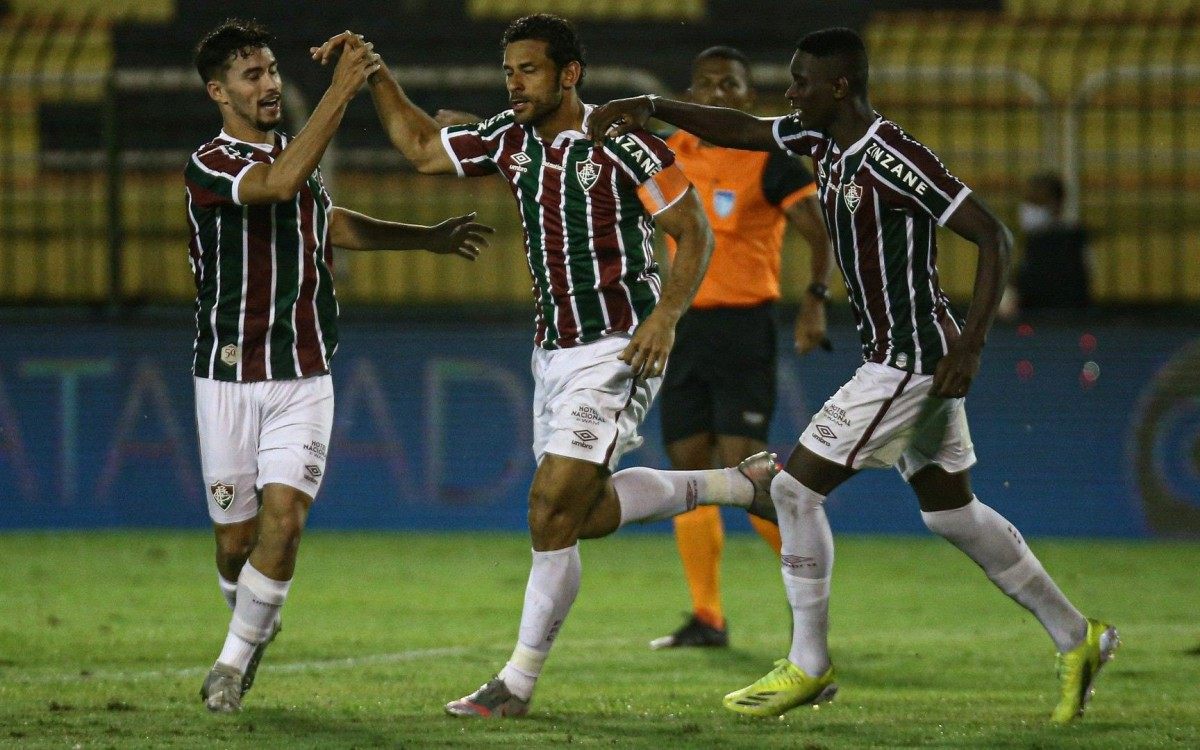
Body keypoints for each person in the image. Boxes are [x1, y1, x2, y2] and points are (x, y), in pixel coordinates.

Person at [588, 27, 1117, 724]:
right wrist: (654, 105)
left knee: (793, 490)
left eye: (804, 81)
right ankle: (1079, 637)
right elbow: (743, 129)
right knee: (952, 514)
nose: (792, 92)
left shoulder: (894, 156)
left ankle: (808, 664)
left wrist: (972, 345)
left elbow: (993, 235)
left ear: (839, 87)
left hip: (909, 360)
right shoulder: (817, 142)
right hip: (900, 357)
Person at [312, 14, 780, 719]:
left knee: (547, 506)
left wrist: (665, 316)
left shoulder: (620, 143)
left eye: (528, 70)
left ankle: (516, 683)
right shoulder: (506, 137)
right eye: (509, 71)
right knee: (576, 516)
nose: (515, 83)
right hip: (553, 352)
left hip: (619, 345)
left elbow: (692, 230)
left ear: (569, 74)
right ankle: (734, 484)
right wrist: (376, 74)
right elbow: (418, 147)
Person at [187, 19, 493, 713]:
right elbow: (277, 184)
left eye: (270, 71)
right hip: (227, 376)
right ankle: (253, 615)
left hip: (303, 371)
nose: (267, 85)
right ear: (218, 92)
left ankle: (230, 665)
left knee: (286, 519)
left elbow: (323, 218)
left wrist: (426, 240)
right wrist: (343, 91)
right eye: (251, 76)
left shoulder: (294, 154)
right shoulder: (211, 163)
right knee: (236, 545)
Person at [649, 46, 835, 651]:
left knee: (748, 469)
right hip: (684, 328)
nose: (716, 93)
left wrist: (813, 299)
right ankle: (707, 617)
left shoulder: (771, 158)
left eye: (729, 83)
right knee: (687, 469)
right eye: (705, 83)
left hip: (743, 327)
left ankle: (810, 599)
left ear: (747, 96)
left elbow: (816, 230)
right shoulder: (670, 150)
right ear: (691, 91)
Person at [999, 171, 1093, 318]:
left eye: (1037, 202)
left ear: (1056, 204)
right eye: (1028, 201)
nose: (1028, 209)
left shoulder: (1069, 241)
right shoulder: (1033, 242)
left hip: (1059, 321)